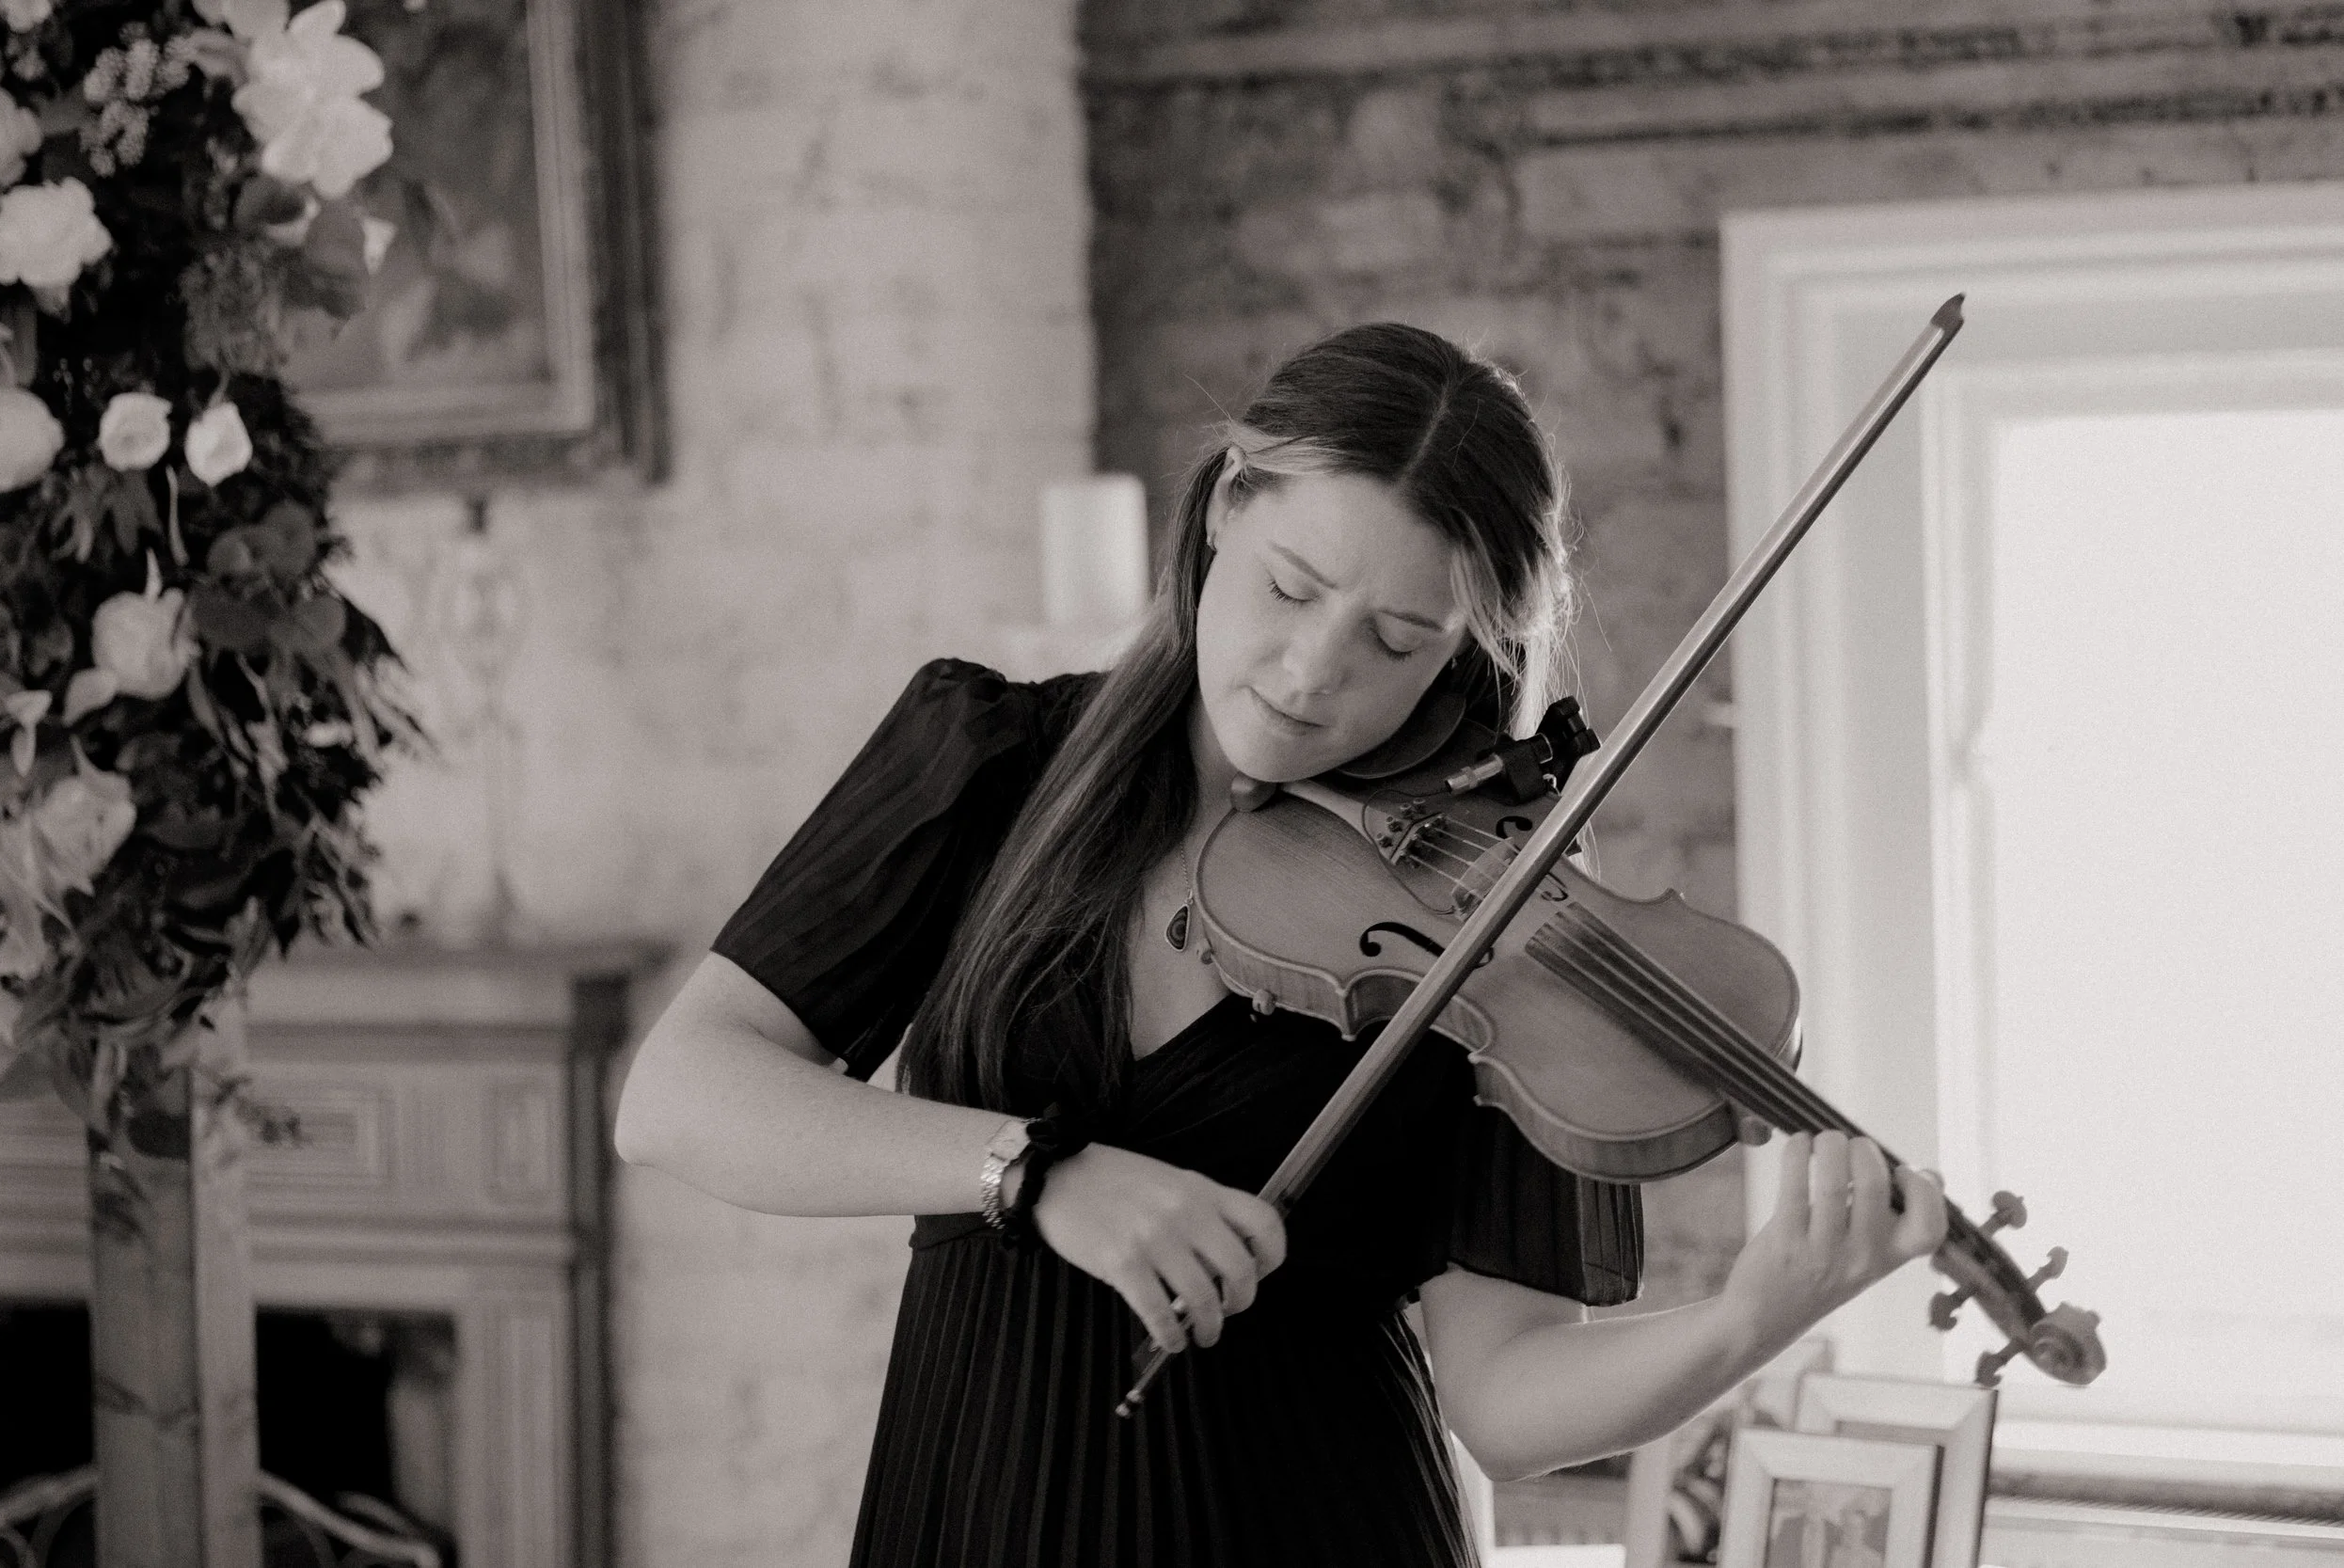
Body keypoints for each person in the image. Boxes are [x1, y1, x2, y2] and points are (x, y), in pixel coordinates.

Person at [613, 322, 1947, 1566]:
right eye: (1292, 586)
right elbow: (681, 1095)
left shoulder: (1511, 908)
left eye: (1397, 639)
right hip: (979, 1501)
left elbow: (1508, 1395)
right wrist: (1035, 1171)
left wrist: (1747, 1320)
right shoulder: (991, 760)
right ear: (1218, 512)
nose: (1314, 671)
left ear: (1463, 657)